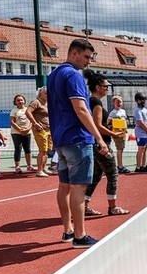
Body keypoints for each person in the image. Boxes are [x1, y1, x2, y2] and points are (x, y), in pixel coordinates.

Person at [46, 38, 109, 248]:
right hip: (77, 139)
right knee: (79, 187)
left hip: (61, 139)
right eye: (86, 57)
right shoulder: (73, 75)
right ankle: (80, 236)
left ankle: (68, 230)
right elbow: (81, 108)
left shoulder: (54, 74)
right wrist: (98, 137)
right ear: (74, 53)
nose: (88, 62)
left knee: (64, 186)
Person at [81, 70, 130, 218]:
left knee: (96, 175)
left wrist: (108, 125)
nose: (107, 88)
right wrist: (114, 133)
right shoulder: (96, 102)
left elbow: (97, 123)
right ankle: (113, 207)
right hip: (100, 144)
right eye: (105, 86)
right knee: (113, 174)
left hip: (94, 143)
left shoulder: (89, 101)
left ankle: (85, 206)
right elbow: (97, 125)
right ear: (97, 87)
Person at [26, 86, 54, 176]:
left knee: (47, 150)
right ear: (40, 94)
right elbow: (28, 112)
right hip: (40, 129)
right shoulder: (36, 102)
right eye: (46, 93)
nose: (48, 94)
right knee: (42, 150)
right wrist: (34, 123)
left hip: (49, 129)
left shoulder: (48, 103)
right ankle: (39, 170)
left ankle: (43, 168)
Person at [10, 94, 34, 174]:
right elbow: (12, 122)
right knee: (18, 148)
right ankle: (17, 167)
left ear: (24, 101)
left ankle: (29, 165)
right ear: (15, 102)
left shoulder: (28, 110)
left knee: (27, 149)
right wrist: (20, 130)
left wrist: (28, 129)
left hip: (27, 132)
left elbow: (31, 120)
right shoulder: (14, 111)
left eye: (21, 100)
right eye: (18, 100)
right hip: (16, 133)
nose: (20, 101)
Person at [107, 95, 130, 173]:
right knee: (119, 148)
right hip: (117, 132)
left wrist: (125, 129)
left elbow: (124, 121)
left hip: (123, 132)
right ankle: (120, 166)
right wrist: (115, 122)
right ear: (113, 103)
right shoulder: (113, 113)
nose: (119, 103)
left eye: (120, 101)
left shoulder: (123, 111)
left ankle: (120, 165)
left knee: (121, 148)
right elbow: (108, 122)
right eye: (117, 102)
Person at [133, 93, 147, 173]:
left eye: (144, 100)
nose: (143, 101)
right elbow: (140, 122)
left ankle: (144, 165)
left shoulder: (145, 110)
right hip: (140, 133)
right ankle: (138, 167)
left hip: (146, 133)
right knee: (141, 149)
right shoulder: (137, 110)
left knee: (145, 149)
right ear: (137, 101)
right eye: (142, 100)